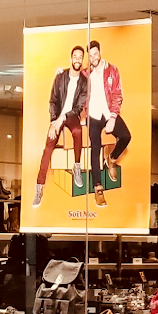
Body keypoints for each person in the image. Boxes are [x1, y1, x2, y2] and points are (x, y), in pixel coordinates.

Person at [32, 46, 88, 207]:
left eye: (80, 57)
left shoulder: (84, 82)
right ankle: (39, 188)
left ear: (82, 60)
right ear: (71, 58)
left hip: (71, 116)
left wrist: (64, 117)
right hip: (57, 117)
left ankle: (77, 166)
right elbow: (53, 100)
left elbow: (79, 107)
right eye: (75, 56)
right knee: (48, 148)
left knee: (78, 131)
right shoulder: (61, 77)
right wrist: (53, 122)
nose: (77, 59)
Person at [84, 39, 131, 207]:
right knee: (95, 148)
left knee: (126, 136)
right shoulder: (85, 74)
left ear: (100, 52)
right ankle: (98, 188)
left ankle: (111, 159)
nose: (93, 58)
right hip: (93, 115)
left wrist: (112, 117)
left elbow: (117, 94)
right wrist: (60, 72)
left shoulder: (112, 70)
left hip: (108, 112)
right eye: (90, 56)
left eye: (95, 54)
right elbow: (71, 78)